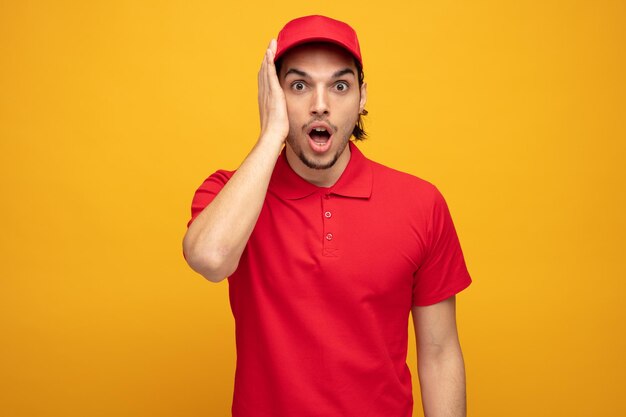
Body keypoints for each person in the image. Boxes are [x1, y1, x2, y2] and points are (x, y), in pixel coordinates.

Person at [183, 15, 472, 417]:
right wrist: (271, 135)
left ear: (362, 96)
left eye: (340, 86)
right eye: (299, 86)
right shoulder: (229, 194)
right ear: (274, 96)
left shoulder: (421, 204)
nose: (320, 105)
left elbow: (439, 352)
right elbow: (210, 258)